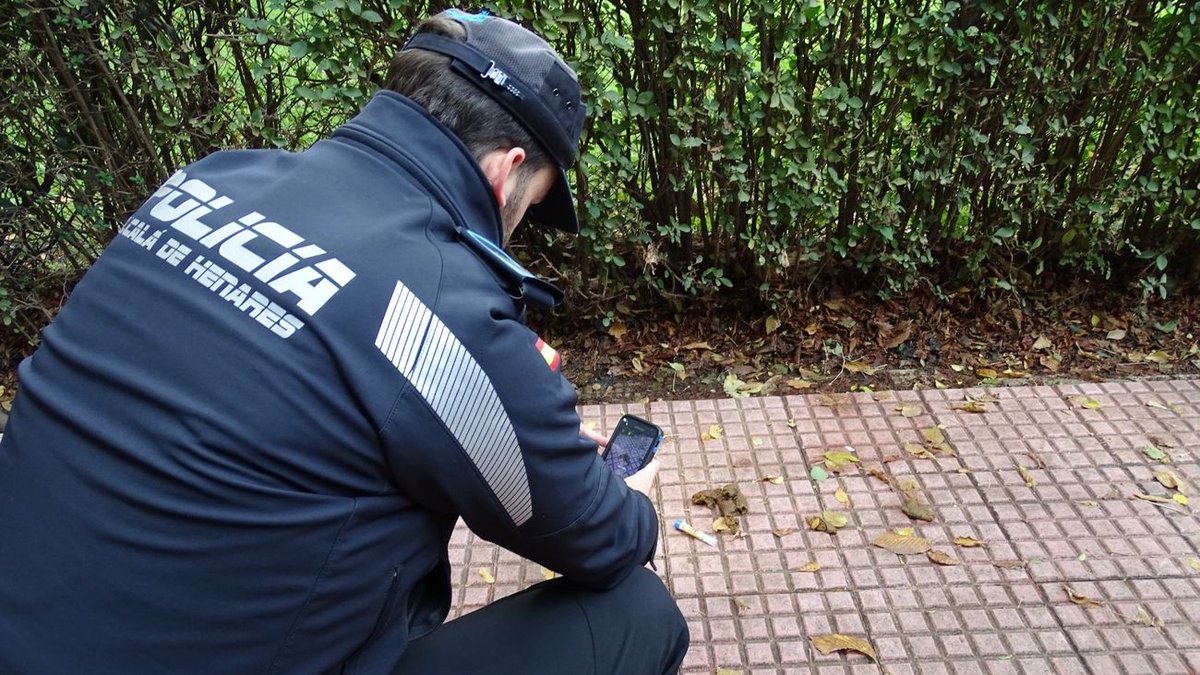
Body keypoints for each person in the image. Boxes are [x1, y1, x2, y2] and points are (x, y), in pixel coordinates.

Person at [0, 10, 689, 674]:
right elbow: (597, 537)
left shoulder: (207, 181)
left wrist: (540, 447)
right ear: (505, 172)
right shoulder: (442, 313)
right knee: (638, 612)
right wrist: (632, 500)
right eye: (531, 207)